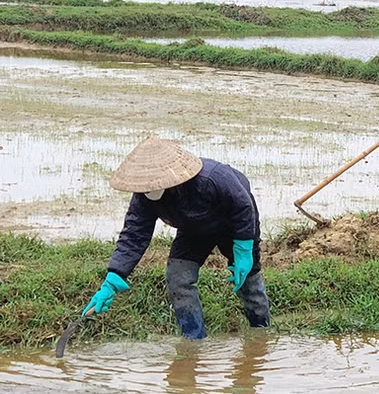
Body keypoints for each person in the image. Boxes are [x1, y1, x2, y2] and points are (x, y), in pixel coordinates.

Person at [82, 136, 271, 339]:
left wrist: (243, 248)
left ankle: (261, 335)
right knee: (178, 278)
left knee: (249, 280)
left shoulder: (214, 178)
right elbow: (134, 234)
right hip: (193, 231)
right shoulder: (143, 197)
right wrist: (114, 277)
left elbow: (243, 207)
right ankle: (193, 339)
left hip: (233, 225)